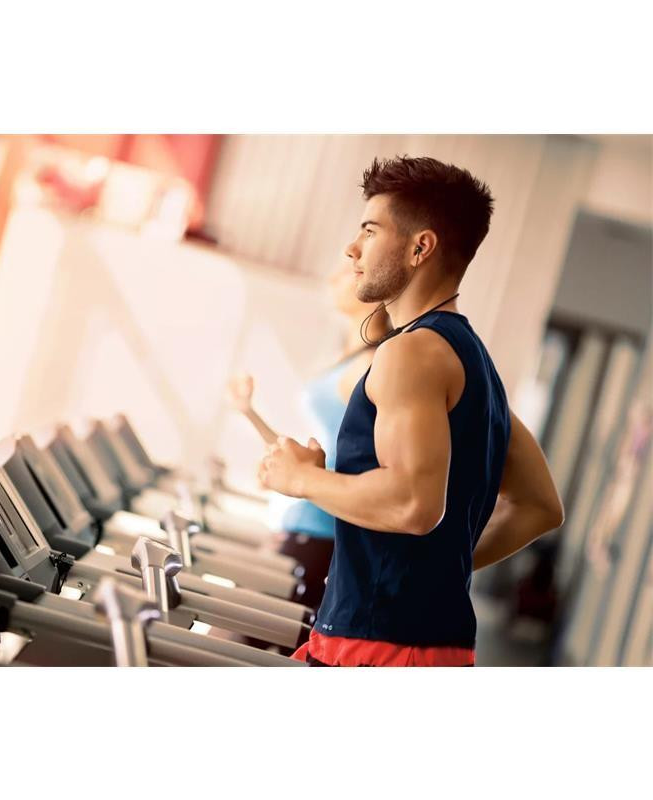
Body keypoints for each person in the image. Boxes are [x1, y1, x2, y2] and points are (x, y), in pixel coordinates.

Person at [258, 155, 566, 667]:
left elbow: (413, 504)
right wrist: (438, 570)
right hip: (422, 644)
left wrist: (302, 480)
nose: (351, 249)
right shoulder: (475, 364)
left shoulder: (411, 354)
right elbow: (540, 506)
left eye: (369, 231)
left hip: (380, 647)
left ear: (421, 247)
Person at [227, 266, 391, 609]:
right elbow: (312, 455)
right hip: (304, 524)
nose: (333, 279)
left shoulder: (371, 365)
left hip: (321, 533)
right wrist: (248, 411)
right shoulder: (348, 357)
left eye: (350, 272)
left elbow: (369, 463)